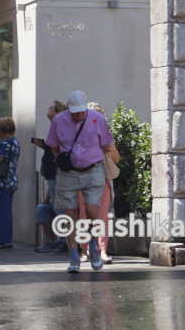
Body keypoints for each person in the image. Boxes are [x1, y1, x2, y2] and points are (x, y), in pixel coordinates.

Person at [45, 89, 115, 273]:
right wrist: (62, 159)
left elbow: (108, 145)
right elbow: (52, 145)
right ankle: (74, 255)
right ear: (69, 109)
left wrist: (90, 154)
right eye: (75, 112)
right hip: (68, 173)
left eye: (81, 111)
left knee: (93, 210)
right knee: (70, 215)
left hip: (93, 170)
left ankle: (93, 245)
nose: (79, 115)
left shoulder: (96, 118)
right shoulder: (59, 120)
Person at [77, 102, 121, 264]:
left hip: (102, 180)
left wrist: (109, 148)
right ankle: (84, 250)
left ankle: (102, 251)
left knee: (103, 217)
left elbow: (116, 159)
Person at [33, 100, 67, 253]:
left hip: (57, 174)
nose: (48, 109)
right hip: (51, 175)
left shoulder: (61, 127)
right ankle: (52, 242)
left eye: (52, 107)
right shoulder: (55, 127)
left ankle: (64, 240)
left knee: (60, 208)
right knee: (44, 207)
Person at [0, 116, 19, 250]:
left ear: (3, 130)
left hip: (2, 181)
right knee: (6, 211)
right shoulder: (15, 142)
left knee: (1, 212)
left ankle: (3, 240)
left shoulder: (5, 143)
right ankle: (7, 238)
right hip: (11, 180)